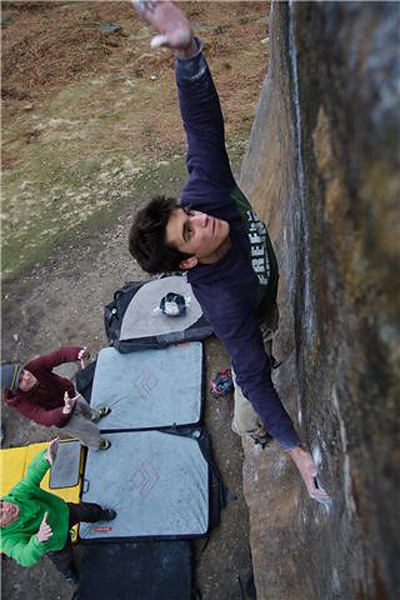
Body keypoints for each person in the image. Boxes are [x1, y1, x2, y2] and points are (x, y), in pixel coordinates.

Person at [129, 1, 329, 502]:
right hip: (251, 318)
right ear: (188, 261)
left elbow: (200, 127)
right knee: (248, 394)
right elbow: (258, 380)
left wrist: (188, 52)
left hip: (262, 299)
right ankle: (250, 433)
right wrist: (297, 451)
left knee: (258, 352)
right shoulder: (225, 305)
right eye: (191, 230)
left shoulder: (206, 192)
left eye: (188, 214)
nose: (201, 219)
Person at [0, 438, 116, 585]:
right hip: (55, 542)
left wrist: (44, 458)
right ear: (2, 526)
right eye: (2, 513)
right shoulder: (5, 539)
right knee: (63, 560)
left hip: (64, 512)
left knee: (88, 511)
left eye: (1, 504)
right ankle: (68, 572)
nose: (7, 507)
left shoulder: (15, 497)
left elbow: (30, 477)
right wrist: (38, 540)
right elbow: (24, 557)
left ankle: (101, 514)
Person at [2, 346, 111, 451]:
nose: (26, 377)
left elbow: (57, 356)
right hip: (65, 419)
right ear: (16, 389)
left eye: (22, 372)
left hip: (72, 395)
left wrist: (77, 353)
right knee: (85, 431)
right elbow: (42, 417)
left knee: (86, 407)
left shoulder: (34, 367)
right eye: (20, 380)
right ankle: (96, 443)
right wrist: (63, 411)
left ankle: (94, 416)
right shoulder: (21, 403)